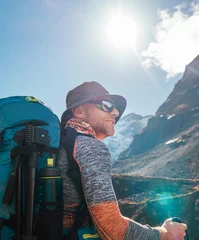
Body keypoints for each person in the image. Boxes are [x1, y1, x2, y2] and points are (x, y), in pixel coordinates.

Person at [57, 81, 187, 240]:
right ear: (79, 111)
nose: (116, 112)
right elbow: (113, 228)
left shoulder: (60, 147)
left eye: (115, 108)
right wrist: (164, 234)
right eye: (106, 105)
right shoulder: (90, 147)